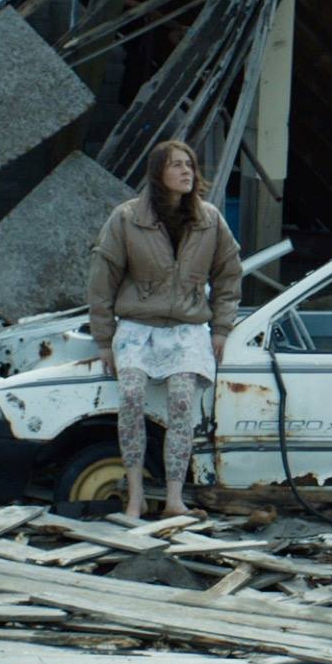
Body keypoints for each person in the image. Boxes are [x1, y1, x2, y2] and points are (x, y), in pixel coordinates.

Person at [86, 140, 242, 519]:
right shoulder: (126, 218)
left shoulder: (209, 220)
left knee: (182, 404)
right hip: (138, 327)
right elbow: (102, 278)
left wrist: (221, 328)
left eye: (189, 165)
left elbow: (230, 273)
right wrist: (104, 339)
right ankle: (135, 497)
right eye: (177, 166)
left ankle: (174, 499)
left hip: (187, 330)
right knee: (132, 398)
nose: (187, 171)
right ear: (159, 174)